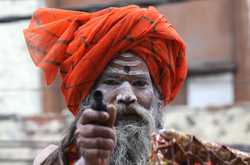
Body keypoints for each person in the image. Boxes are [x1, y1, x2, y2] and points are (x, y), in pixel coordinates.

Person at [23, 5, 187, 165]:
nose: (127, 96)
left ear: (157, 98)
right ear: (87, 97)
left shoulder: (181, 158)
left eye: (140, 83)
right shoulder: (56, 160)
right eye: (111, 82)